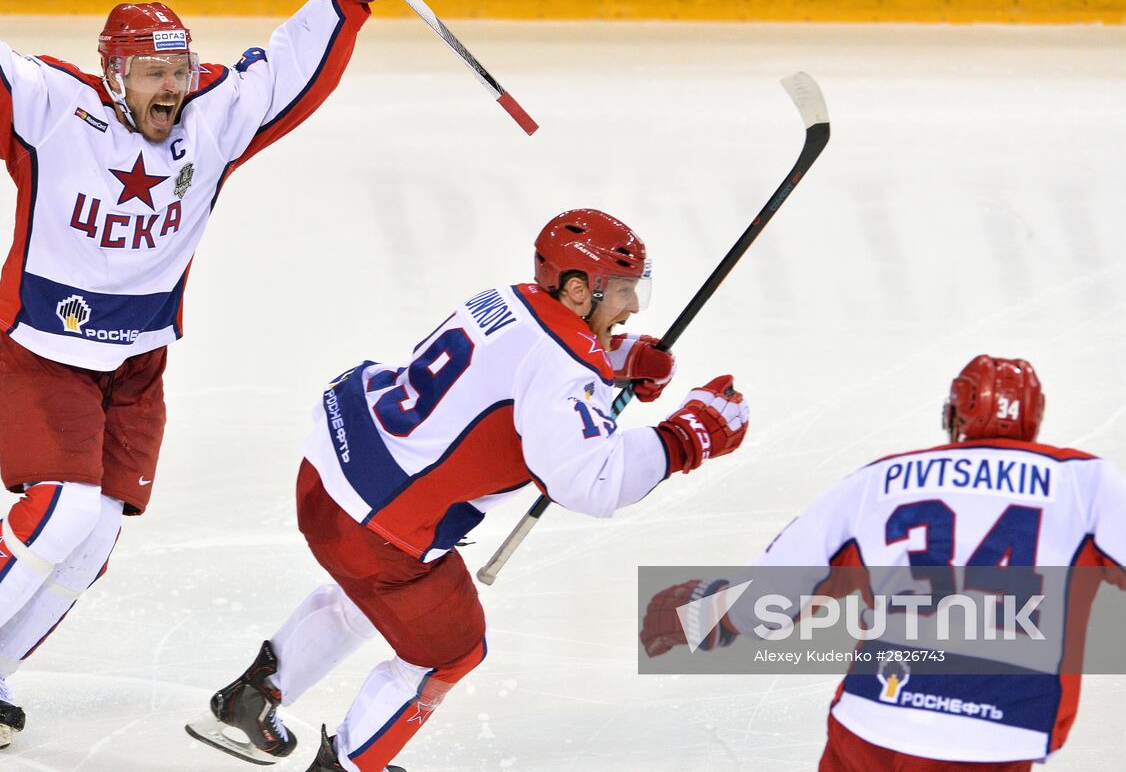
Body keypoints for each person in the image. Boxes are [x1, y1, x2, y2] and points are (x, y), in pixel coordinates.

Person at [0, 0, 398, 750]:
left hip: (136, 364)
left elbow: (288, 71)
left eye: (179, 68)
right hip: (41, 350)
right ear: (114, 74)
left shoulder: (209, 122)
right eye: (151, 72)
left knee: (91, 535)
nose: (171, 85)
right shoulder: (58, 109)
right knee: (58, 510)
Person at [185, 208, 752, 771]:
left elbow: (521, 366)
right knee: (450, 652)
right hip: (381, 529)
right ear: (579, 290)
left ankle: (250, 700)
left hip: (330, 475)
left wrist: (617, 361)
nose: (632, 307)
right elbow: (589, 479)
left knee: (369, 597)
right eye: (624, 291)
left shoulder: (510, 297)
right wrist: (688, 436)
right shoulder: (564, 364)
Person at [640, 355, 1126, 771]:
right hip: (990, 740)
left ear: (953, 415)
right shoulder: (1082, 482)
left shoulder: (882, 478)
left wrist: (702, 614)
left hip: (872, 724)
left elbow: (772, 595)